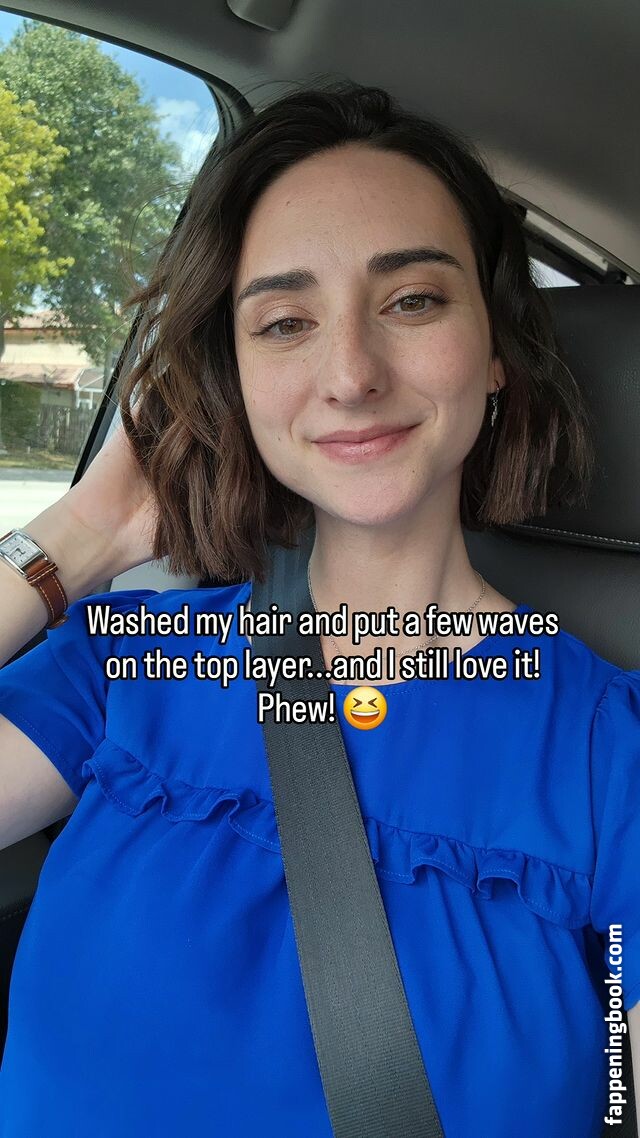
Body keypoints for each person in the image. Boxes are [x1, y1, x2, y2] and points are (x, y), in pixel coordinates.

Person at [0, 80, 638, 1138]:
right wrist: (83, 536)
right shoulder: (126, 663)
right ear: (237, 377)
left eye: (413, 300)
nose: (348, 374)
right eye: (285, 322)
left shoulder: (607, 754)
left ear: (494, 350)